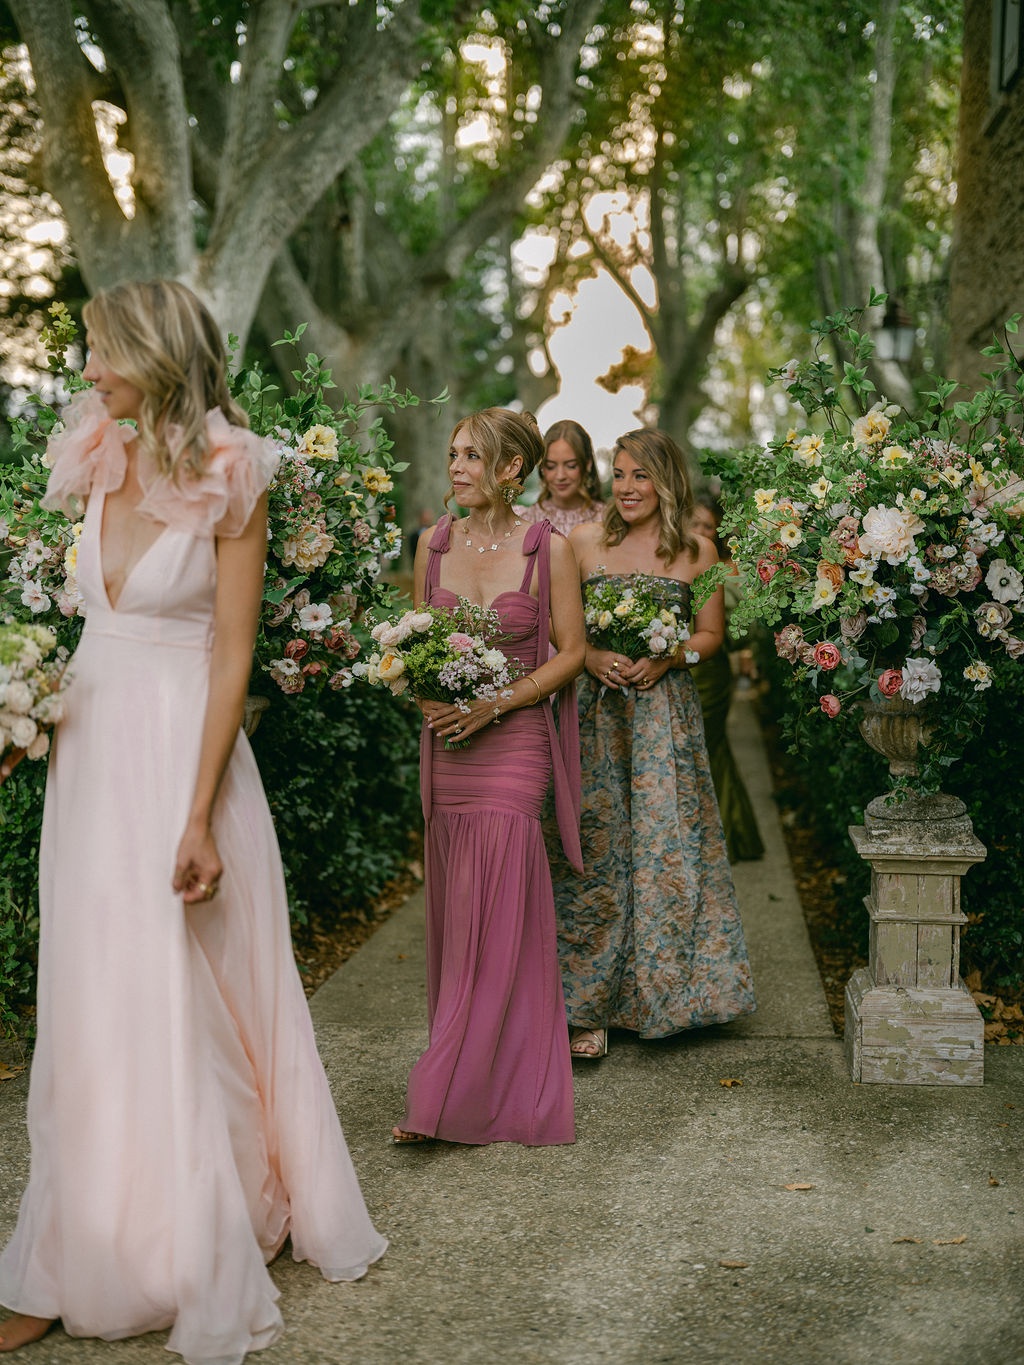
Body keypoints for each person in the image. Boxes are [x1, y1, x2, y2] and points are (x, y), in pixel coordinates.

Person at [0, 281, 386, 1362]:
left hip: (181, 759)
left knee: (180, 995)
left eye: (99, 353)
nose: (85, 373)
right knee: (93, 993)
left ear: (156, 352)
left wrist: (201, 812)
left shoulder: (235, 470)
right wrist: (21, 721)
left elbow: (230, 650)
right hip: (89, 753)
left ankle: (181, 1239)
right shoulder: (97, 457)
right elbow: (88, 627)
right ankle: (74, 1245)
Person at [393, 407, 586, 1146]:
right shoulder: (431, 545)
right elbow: (411, 643)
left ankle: (455, 1087)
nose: (458, 468)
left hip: (516, 742)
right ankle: (463, 1065)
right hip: (450, 745)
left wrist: (500, 701)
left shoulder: (549, 548)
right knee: (460, 905)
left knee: (501, 897)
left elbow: (570, 651)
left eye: (474, 456)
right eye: (453, 455)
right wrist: (428, 694)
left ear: (512, 469)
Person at [552, 429, 756, 1059]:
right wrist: (592, 657)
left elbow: (711, 635)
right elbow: (562, 632)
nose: (627, 488)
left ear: (667, 481)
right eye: (618, 475)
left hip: (664, 721)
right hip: (594, 718)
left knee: (668, 853)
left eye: (640, 476)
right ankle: (587, 1004)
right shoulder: (583, 542)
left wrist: (672, 658)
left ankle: (668, 995)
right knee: (594, 853)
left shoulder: (698, 550)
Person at [689, 492, 764, 862]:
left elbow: (741, 630)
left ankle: (722, 839)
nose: (701, 531)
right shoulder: (675, 559)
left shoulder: (725, 568)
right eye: (695, 524)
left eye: (708, 526)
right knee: (711, 751)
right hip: (682, 667)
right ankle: (732, 835)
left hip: (711, 671)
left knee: (708, 747)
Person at [520, 419, 605, 535]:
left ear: (588, 464)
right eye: (550, 466)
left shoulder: (606, 518)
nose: (560, 476)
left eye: (571, 466)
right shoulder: (526, 519)